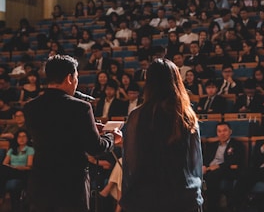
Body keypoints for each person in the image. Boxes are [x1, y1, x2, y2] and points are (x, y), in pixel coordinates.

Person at [24, 55, 122, 212]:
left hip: (41, 183)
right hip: (71, 185)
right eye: (76, 77)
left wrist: (85, 127)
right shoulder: (81, 107)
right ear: (70, 77)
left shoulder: (30, 107)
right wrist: (112, 136)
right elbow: (95, 147)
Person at [120, 58, 203, 212]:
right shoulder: (186, 115)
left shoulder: (137, 115)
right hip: (182, 193)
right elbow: (194, 160)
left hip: (146, 194)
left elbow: (131, 162)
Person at [203, 122, 245, 212]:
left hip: (226, 170)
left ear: (230, 131)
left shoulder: (237, 145)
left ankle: (212, 207)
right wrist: (204, 166)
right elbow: (206, 159)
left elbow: (235, 161)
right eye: (219, 131)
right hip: (210, 170)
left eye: (225, 130)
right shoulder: (212, 145)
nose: (222, 133)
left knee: (213, 175)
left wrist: (218, 166)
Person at [0, 129, 34, 207]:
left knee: (2, 171)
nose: (21, 139)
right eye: (19, 137)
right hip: (11, 170)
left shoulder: (30, 149)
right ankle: (1, 196)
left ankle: (1, 197)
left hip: (23, 171)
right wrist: (12, 167)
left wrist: (21, 167)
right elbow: (4, 163)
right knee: (2, 168)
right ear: (16, 139)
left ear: (27, 138)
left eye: (23, 137)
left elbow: (29, 166)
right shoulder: (12, 149)